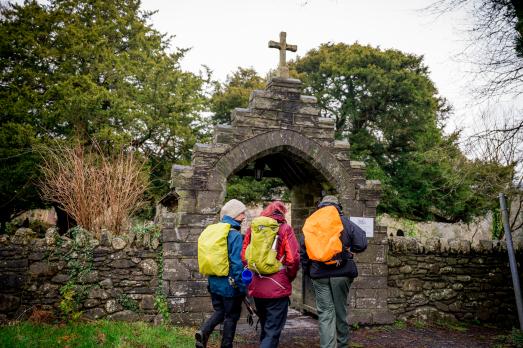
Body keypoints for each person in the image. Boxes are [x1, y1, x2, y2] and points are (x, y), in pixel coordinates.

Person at [301, 195, 368, 348]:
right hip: (342, 273)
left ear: (320, 206)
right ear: (338, 207)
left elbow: (303, 251)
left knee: (325, 314)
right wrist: (350, 251)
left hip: (319, 274)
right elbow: (362, 242)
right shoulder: (345, 222)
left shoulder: (312, 222)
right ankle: (342, 344)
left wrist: (308, 271)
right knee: (340, 311)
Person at [241, 201, 300, 348]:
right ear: (282, 213)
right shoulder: (285, 229)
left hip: (257, 286)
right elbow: (293, 258)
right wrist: (288, 277)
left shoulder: (253, 228)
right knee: (273, 330)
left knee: (266, 326)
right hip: (277, 287)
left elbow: (244, 256)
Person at [195, 199, 247, 348]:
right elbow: (237, 264)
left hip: (213, 283)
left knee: (220, 311)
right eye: (242, 213)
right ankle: (226, 345)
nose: (244, 216)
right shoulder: (234, 235)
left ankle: (203, 332)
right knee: (231, 316)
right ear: (234, 214)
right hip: (229, 286)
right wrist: (242, 287)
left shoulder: (214, 231)